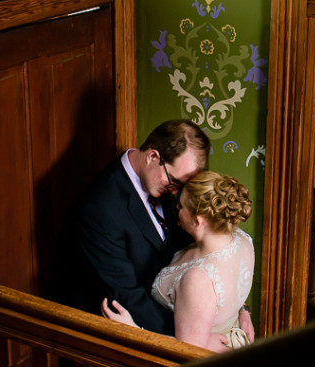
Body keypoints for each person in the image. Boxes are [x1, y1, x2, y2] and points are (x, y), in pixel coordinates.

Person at [67, 120, 253, 345]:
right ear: (153, 157)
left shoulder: (168, 183)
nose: (177, 193)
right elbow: (126, 295)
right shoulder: (100, 208)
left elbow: (209, 254)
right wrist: (196, 337)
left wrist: (238, 310)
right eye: (174, 181)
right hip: (114, 336)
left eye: (184, 185)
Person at [102, 171, 255, 352]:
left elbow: (186, 353)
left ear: (198, 221)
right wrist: (243, 311)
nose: (176, 212)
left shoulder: (198, 279)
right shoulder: (242, 239)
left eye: (180, 207)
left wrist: (133, 330)